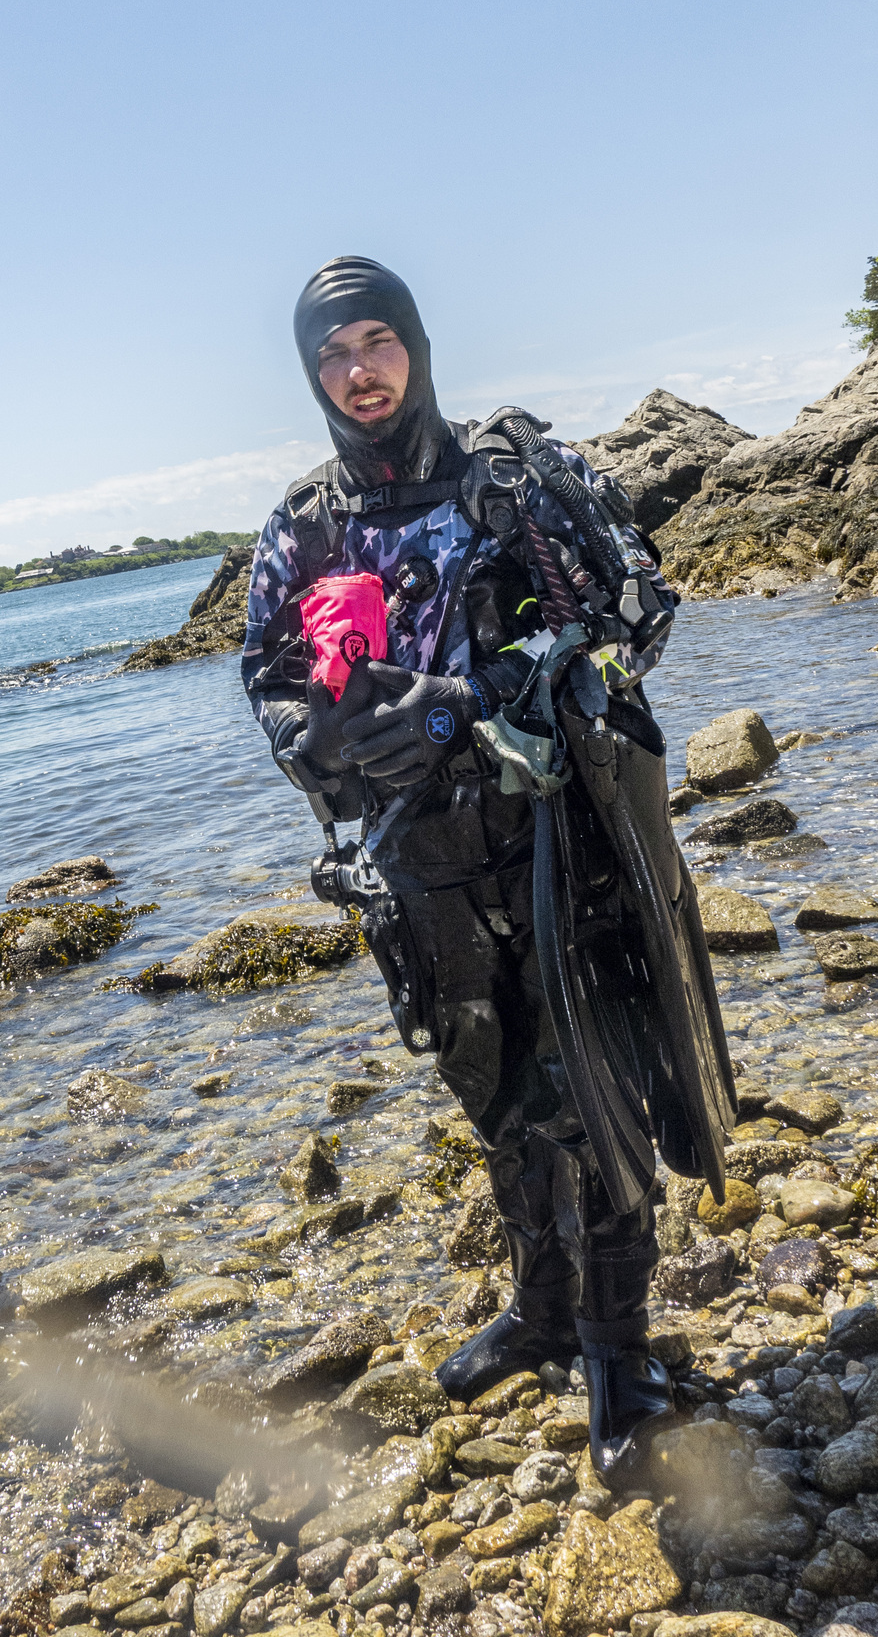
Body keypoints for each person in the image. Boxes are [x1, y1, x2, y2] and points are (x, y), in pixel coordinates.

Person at [242, 255, 735, 1484]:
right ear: (310, 375)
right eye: (331, 355)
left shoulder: (513, 479)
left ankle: (620, 1348)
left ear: (415, 346)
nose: (359, 372)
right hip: (416, 868)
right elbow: (267, 680)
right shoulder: (304, 525)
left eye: (376, 341)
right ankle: (542, 1310)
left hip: (559, 841)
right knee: (492, 1086)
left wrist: (478, 697)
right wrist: (326, 740)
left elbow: (640, 611)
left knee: (596, 1086)